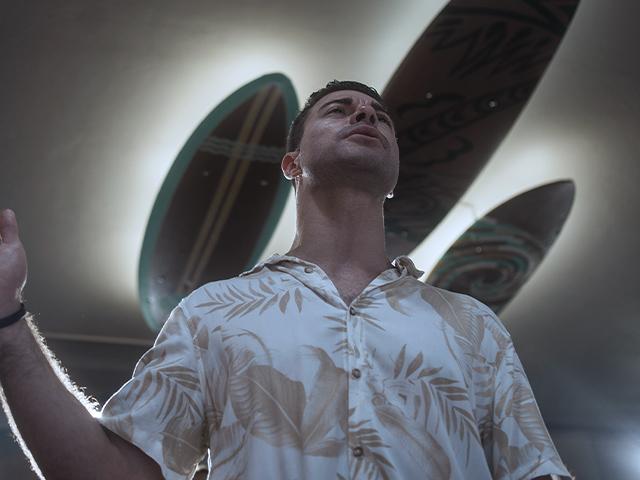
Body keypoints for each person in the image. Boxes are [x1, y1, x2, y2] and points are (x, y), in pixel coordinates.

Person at [0, 80, 572, 479]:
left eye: (379, 117)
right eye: (339, 110)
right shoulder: (213, 314)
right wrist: (6, 321)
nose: (366, 115)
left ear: (395, 174)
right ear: (292, 164)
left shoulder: (473, 325)